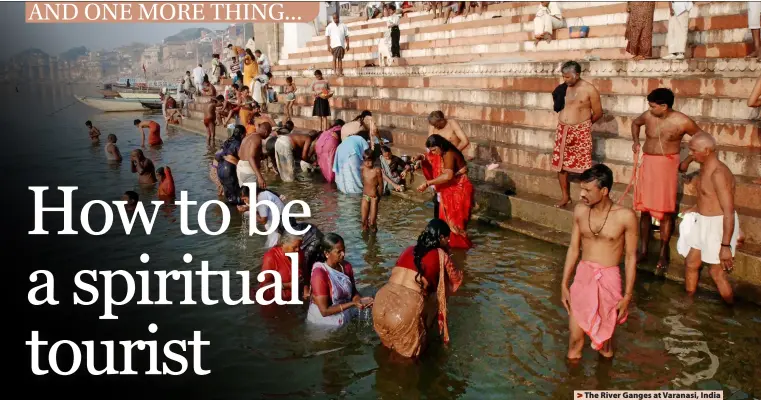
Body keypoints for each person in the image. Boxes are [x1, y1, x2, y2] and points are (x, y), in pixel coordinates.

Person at [560, 164, 638, 360]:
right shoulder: (579, 211)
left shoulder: (625, 217)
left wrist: (627, 296)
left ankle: (603, 385)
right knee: (575, 340)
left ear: (604, 191)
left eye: (587, 190)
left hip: (609, 280)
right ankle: (571, 387)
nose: (581, 195)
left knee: (604, 346)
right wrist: (564, 284)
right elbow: (573, 248)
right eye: (581, 189)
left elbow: (630, 257)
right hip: (583, 278)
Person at [631, 88, 704, 270]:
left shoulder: (682, 121)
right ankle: (644, 249)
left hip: (667, 165)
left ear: (664, 106)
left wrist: (688, 160)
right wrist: (635, 141)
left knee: (665, 211)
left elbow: (703, 139)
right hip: (648, 162)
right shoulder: (648, 116)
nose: (650, 109)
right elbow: (635, 123)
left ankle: (663, 253)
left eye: (653, 106)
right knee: (645, 210)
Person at [373, 219, 463, 358]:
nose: (449, 242)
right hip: (406, 309)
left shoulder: (409, 249)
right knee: (407, 363)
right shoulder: (441, 255)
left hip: (381, 301)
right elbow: (455, 281)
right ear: (441, 238)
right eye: (447, 239)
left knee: (387, 350)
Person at [676, 133, 739, 304]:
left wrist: (725, 246)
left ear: (707, 150)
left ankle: (730, 310)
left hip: (717, 224)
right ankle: (689, 302)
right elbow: (709, 196)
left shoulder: (719, 173)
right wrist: (695, 209)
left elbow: (728, 210)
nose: (691, 153)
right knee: (691, 263)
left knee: (716, 273)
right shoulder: (704, 166)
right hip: (702, 221)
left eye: (693, 150)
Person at [551, 61, 603, 208]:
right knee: (560, 166)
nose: (565, 80)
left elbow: (598, 113)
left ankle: (586, 198)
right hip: (563, 129)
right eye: (563, 76)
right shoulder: (563, 88)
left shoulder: (589, 89)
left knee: (584, 167)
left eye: (568, 77)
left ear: (577, 74)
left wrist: (584, 126)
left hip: (581, 130)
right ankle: (565, 197)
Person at [417, 134, 474, 249]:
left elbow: (448, 176)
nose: (433, 153)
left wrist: (428, 183)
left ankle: (461, 249)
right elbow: (431, 159)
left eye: (434, 149)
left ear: (440, 145)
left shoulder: (448, 154)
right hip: (449, 190)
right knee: (446, 223)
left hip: (459, 191)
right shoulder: (442, 152)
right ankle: (451, 248)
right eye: (431, 150)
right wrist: (422, 157)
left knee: (455, 225)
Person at [307, 233, 373, 327]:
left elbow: (353, 291)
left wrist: (360, 300)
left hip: (344, 314)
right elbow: (324, 311)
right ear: (327, 253)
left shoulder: (346, 266)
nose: (343, 254)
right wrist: (353, 303)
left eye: (344, 250)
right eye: (339, 252)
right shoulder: (319, 274)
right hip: (323, 324)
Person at [258, 232, 307, 302]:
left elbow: (305, 273)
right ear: (283, 244)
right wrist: (288, 285)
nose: (298, 249)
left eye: (299, 246)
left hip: (296, 296)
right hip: (275, 300)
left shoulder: (299, 253)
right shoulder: (271, 257)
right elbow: (264, 285)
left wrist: (306, 289)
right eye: (294, 247)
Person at [215, 125, 246, 204]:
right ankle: (236, 214)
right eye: (244, 135)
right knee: (235, 196)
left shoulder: (228, 141)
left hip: (220, 168)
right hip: (228, 169)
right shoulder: (238, 143)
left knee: (228, 195)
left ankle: (227, 212)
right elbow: (241, 157)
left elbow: (218, 154)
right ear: (242, 134)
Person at [238, 122, 271, 189]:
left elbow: (239, 154)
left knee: (245, 195)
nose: (268, 135)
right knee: (253, 196)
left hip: (240, 168)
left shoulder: (248, 136)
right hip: (249, 170)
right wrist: (259, 177)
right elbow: (250, 158)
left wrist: (260, 156)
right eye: (269, 133)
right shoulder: (257, 139)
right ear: (266, 132)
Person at [360, 149, 384, 232]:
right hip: (365, 196)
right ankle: (365, 240)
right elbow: (363, 181)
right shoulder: (363, 168)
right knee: (363, 221)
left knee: (372, 222)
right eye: (365, 161)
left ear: (374, 160)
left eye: (369, 161)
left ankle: (373, 240)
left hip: (374, 198)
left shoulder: (377, 170)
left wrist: (378, 198)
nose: (367, 163)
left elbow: (381, 185)